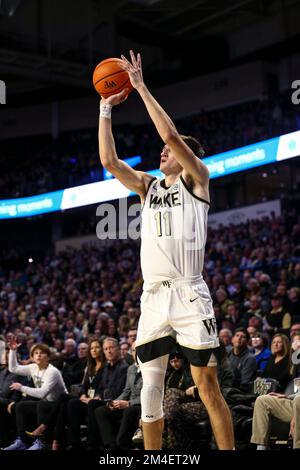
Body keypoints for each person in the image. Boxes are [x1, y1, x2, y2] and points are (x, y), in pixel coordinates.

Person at [98, 49, 234, 450]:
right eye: (161, 152)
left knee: (207, 387)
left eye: (169, 152)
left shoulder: (198, 180)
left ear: (186, 159)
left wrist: (139, 86)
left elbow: (171, 136)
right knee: (150, 388)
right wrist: (106, 107)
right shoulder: (148, 186)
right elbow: (109, 160)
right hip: (154, 297)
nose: (162, 152)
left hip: (190, 291)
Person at [3, 339, 67, 450]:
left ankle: (42, 443)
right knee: (20, 406)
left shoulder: (52, 371)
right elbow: (13, 368)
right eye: (36, 353)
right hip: (47, 402)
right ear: (32, 357)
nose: (39, 355)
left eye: (42, 353)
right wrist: (13, 351)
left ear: (48, 357)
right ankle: (24, 441)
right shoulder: (33, 367)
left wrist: (21, 387)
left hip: (60, 405)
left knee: (42, 404)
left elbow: (42, 393)